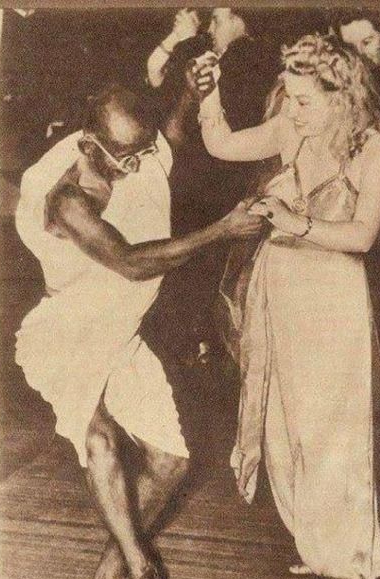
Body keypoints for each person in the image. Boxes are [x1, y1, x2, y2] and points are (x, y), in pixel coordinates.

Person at [14, 84, 265, 579]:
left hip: (120, 338)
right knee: (100, 443)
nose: (138, 164)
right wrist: (223, 230)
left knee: (171, 463)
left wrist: (189, 93)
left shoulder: (139, 154)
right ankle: (138, 571)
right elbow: (130, 263)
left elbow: (169, 138)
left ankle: (106, 578)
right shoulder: (68, 202)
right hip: (67, 337)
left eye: (141, 150)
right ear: (89, 144)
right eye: (124, 155)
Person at [196, 34, 380, 579]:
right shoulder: (293, 125)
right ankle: (319, 542)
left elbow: (361, 237)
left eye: (307, 100)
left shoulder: (372, 146)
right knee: (284, 425)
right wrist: (210, 96)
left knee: (333, 433)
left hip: (331, 299)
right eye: (292, 96)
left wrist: (295, 220)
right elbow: (223, 145)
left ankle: (350, 567)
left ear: (344, 94)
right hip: (279, 290)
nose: (294, 109)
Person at [143, 7, 279, 365]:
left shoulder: (245, 58)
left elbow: (190, 129)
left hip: (210, 183)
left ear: (240, 19)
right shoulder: (229, 58)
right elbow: (155, 78)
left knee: (190, 269)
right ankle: (193, 348)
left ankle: (190, 352)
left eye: (217, 19)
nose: (210, 27)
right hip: (212, 181)